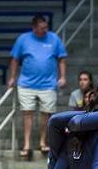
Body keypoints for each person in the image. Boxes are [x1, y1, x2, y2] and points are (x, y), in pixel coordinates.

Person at [8, 15, 67, 158]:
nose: (45, 30)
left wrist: (63, 77)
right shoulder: (23, 39)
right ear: (34, 27)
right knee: (27, 112)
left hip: (48, 83)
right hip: (27, 83)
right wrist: (12, 77)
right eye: (41, 28)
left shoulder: (54, 38)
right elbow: (15, 59)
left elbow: (62, 59)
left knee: (47, 113)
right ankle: (27, 144)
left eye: (46, 27)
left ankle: (43, 142)